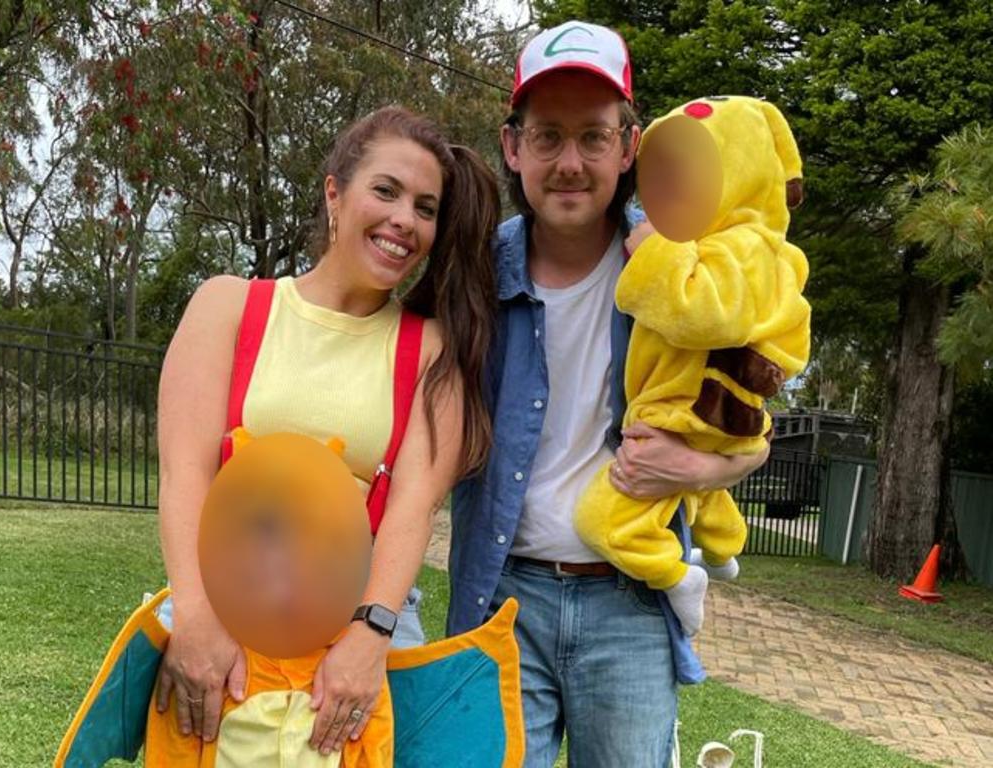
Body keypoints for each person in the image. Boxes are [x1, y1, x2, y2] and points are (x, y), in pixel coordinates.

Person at [447, 21, 769, 768]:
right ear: (511, 146)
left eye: (593, 137)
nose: (569, 163)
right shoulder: (471, 275)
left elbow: (748, 419)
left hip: (628, 602)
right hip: (502, 597)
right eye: (547, 136)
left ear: (629, 148)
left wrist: (704, 471)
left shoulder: (685, 274)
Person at [155, 106, 499, 758]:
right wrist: (196, 618)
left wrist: (369, 638)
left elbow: (412, 509)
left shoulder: (430, 350)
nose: (405, 220)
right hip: (217, 608)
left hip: (362, 621)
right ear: (334, 193)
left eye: (425, 208)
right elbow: (184, 472)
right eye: (386, 190)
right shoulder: (230, 305)